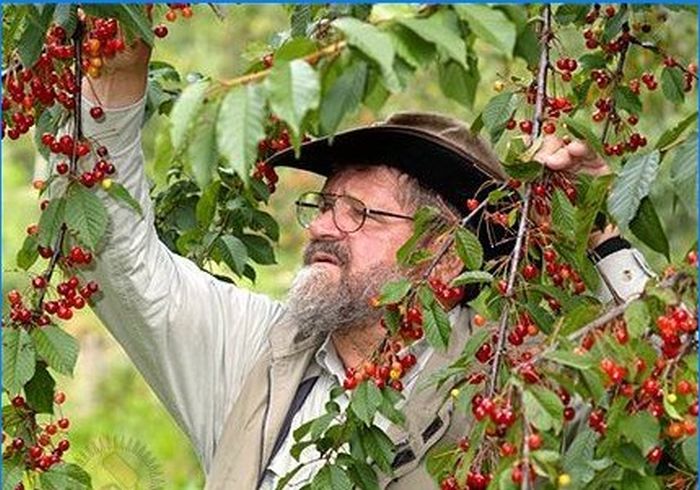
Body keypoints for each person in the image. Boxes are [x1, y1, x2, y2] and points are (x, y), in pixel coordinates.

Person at [73, 40, 652, 489]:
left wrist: (600, 231)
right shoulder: (254, 353)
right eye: (324, 206)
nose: (324, 226)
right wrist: (114, 85)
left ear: (446, 254)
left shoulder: (507, 392)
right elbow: (117, 255)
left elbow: (659, 394)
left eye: (360, 213)